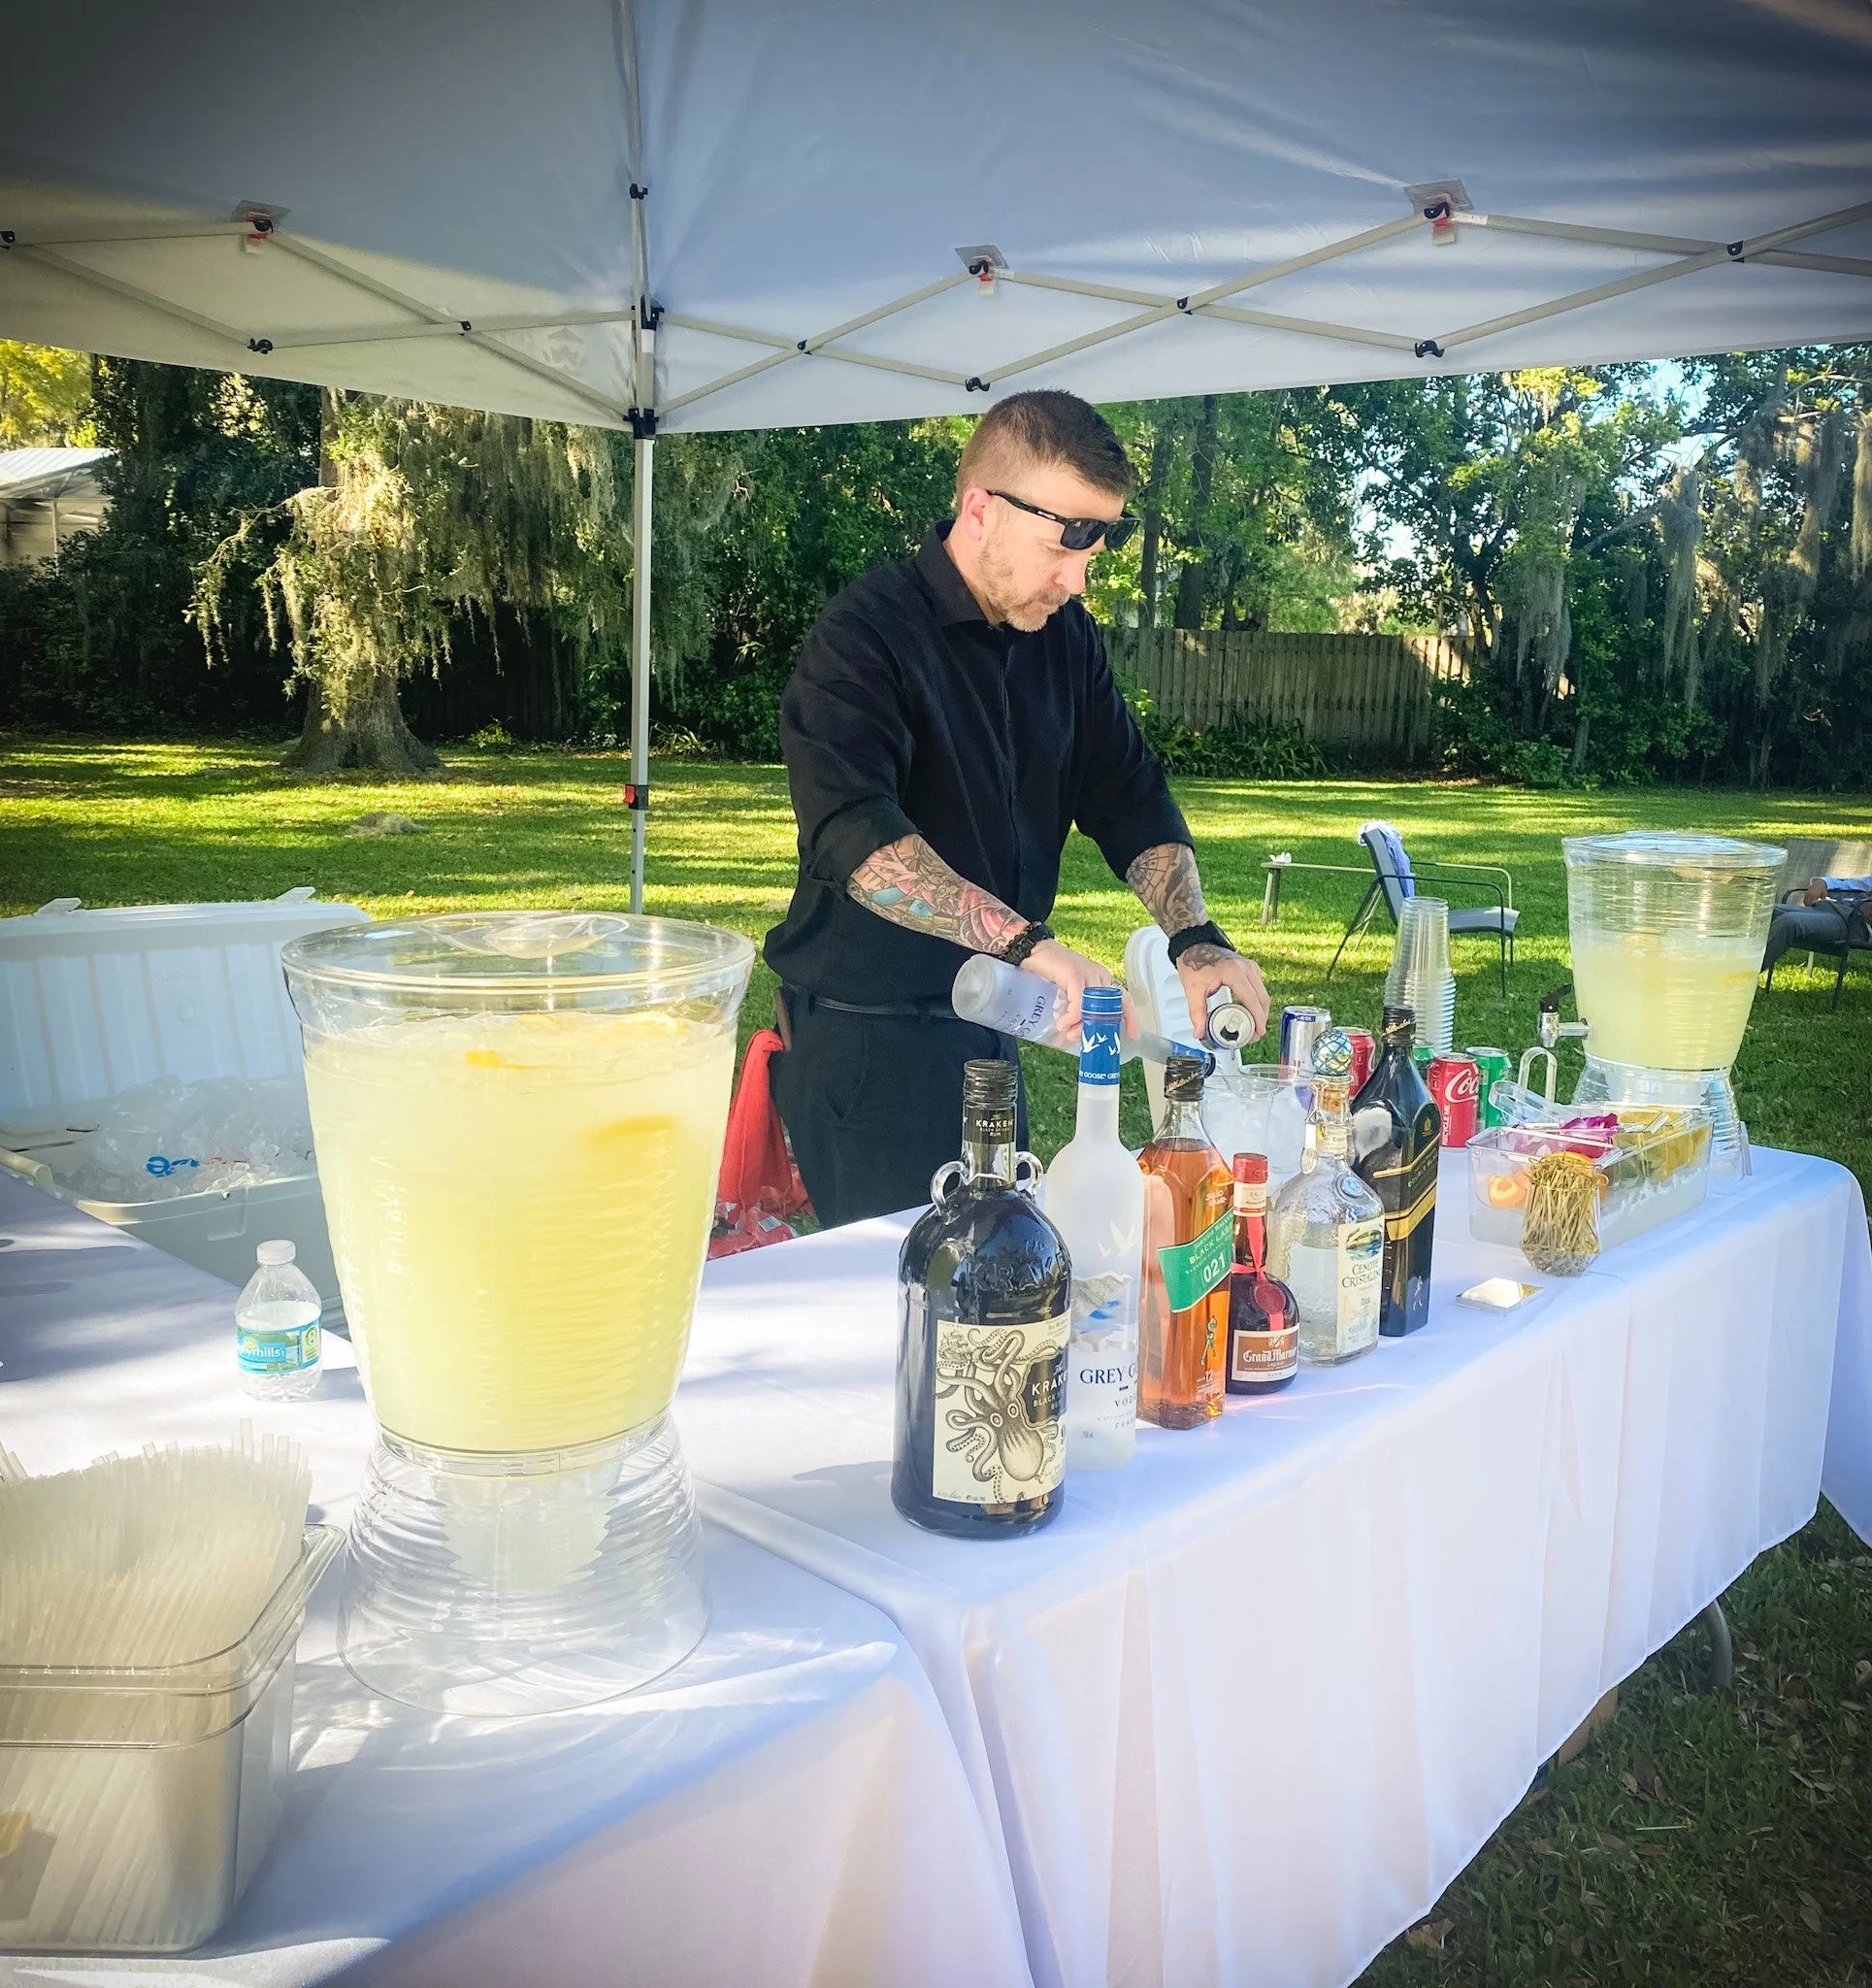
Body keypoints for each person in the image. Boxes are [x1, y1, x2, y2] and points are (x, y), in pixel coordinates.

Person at [764, 389, 1270, 1228]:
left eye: (1093, 548)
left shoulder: (1065, 638)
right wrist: (1029, 945)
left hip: (997, 1028)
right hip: (871, 1046)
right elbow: (854, 837)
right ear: (979, 510)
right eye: (1061, 544)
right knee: (913, 1314)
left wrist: (1195, 936)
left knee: (1012, 1285)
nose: (1075, 579)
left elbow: (1126, 789)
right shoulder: (866, 633)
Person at [1762, 873, 1872, 974]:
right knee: (1764, 912)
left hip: (1855, 925)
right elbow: (1859, 885)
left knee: (1790, 922)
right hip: (1837, 908)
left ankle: (1746, 977)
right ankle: (1746, 961)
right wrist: (1824, 882)